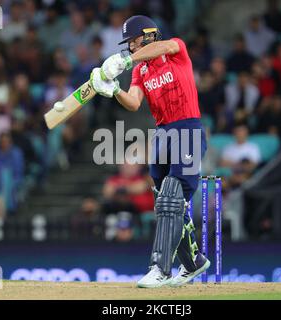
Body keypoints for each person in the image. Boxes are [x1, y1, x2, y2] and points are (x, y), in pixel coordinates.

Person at [89, 15, 210, 288]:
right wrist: (113, 90)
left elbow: (164, 48)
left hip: (187, 128)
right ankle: (194, 262)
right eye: (129, 44)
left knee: (172, 196)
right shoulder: (140, 70)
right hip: (163, 133)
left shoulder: (174, 49)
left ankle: (161, 268)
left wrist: (128, 60)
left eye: (133, 41)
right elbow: (133, 103)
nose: (130, 48)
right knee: (165, 201)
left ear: (148, 35)